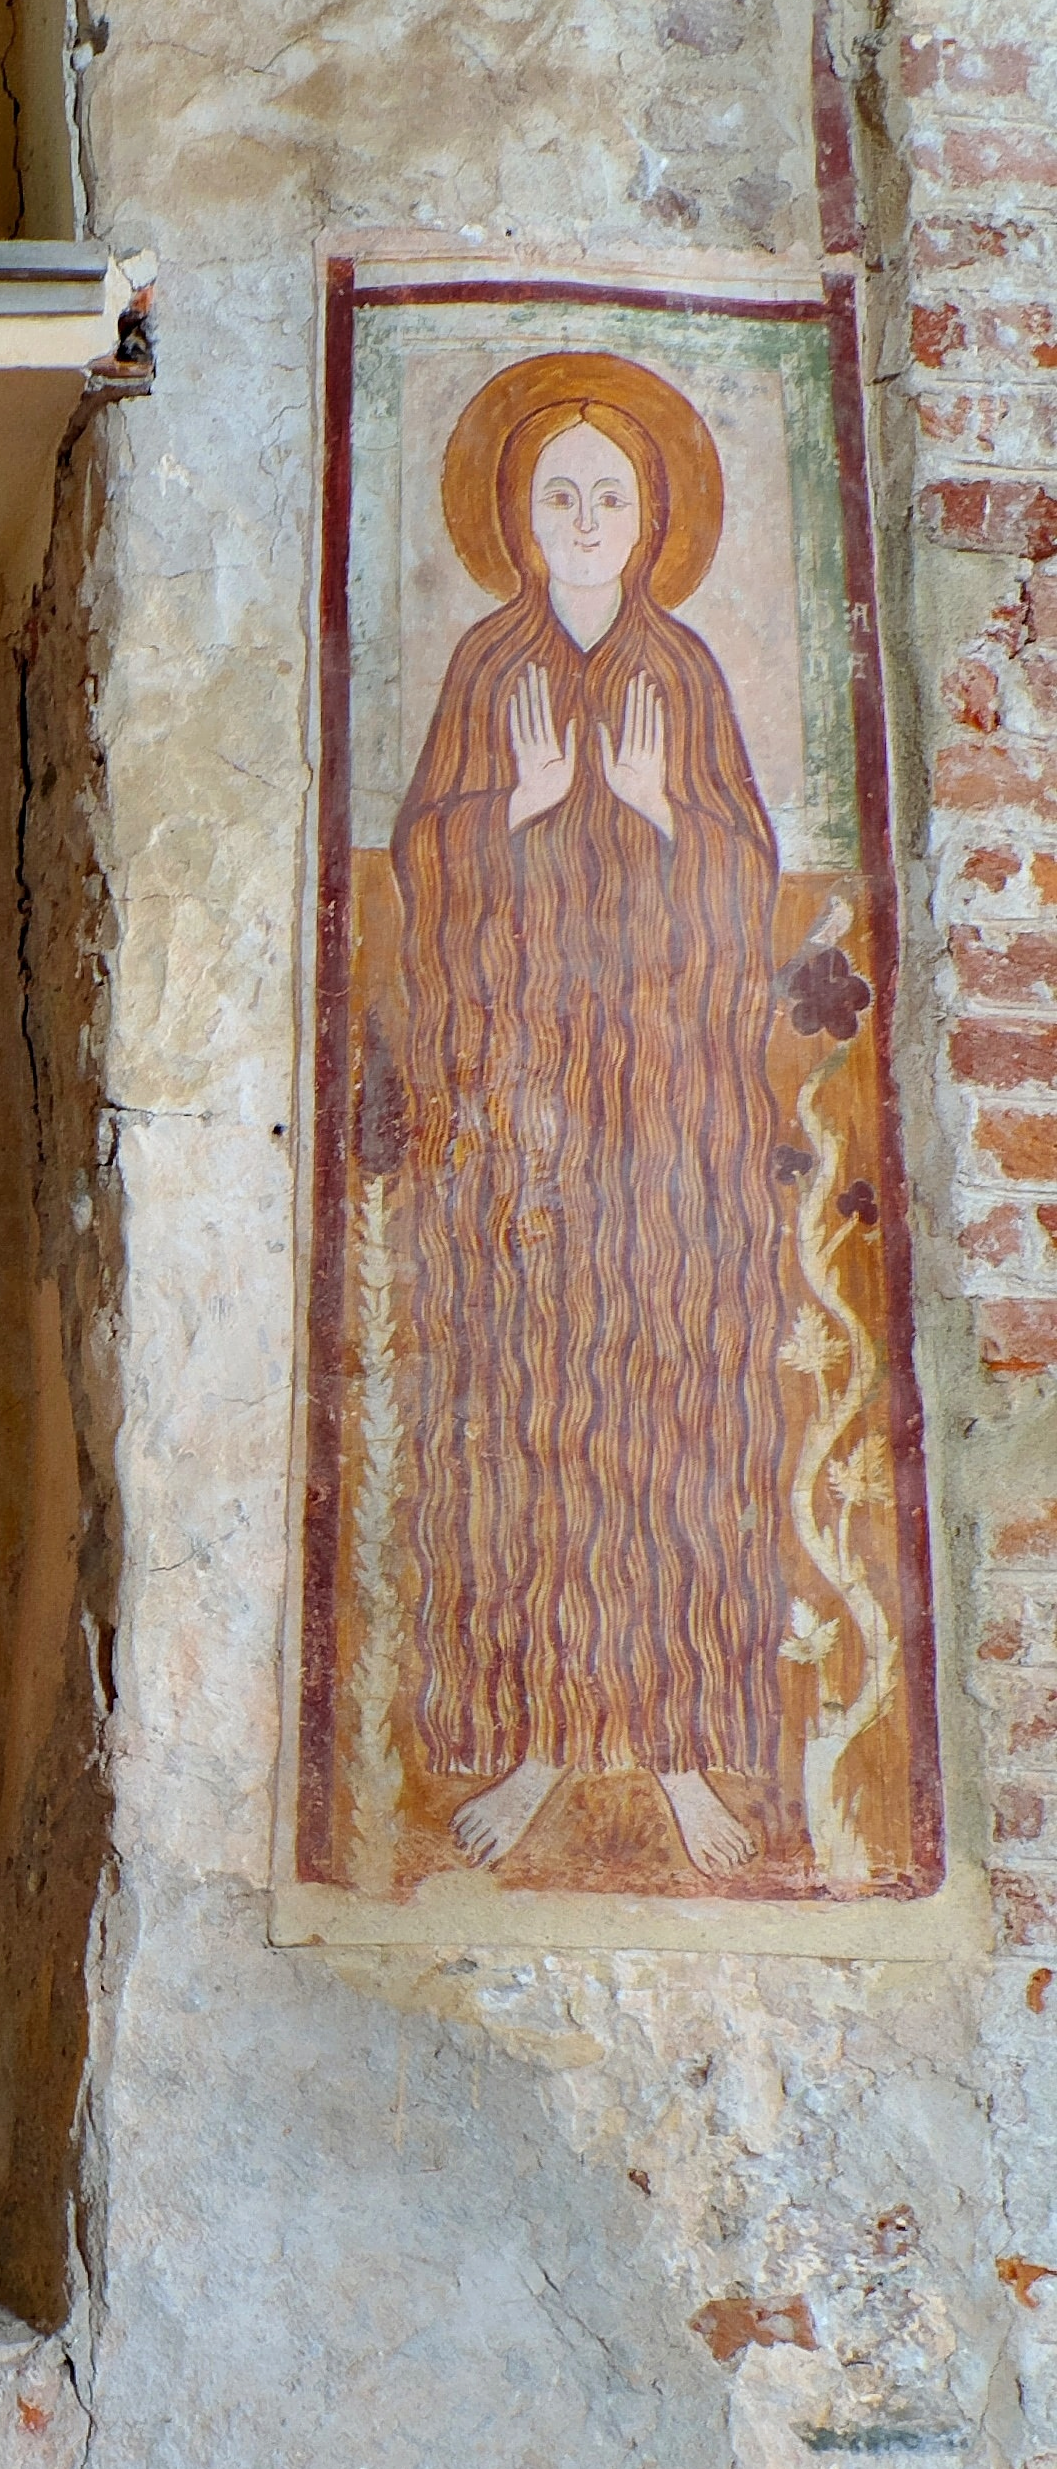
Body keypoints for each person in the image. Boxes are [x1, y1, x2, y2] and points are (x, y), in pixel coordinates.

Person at [388, 358, 786, 1882]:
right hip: (524, 1115)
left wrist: (668, 808)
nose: (584, 517)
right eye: (557, 492)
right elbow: (429, 868)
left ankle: (681, 1749)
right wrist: (523, 808)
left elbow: (748, 887)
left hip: (669, 1119)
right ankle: (545, 1737)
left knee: (674, 1410)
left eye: (609, 493)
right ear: (515, 516)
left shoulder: (680, 673)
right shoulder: (491, 671)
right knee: (530, 1411)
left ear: (653, 514)